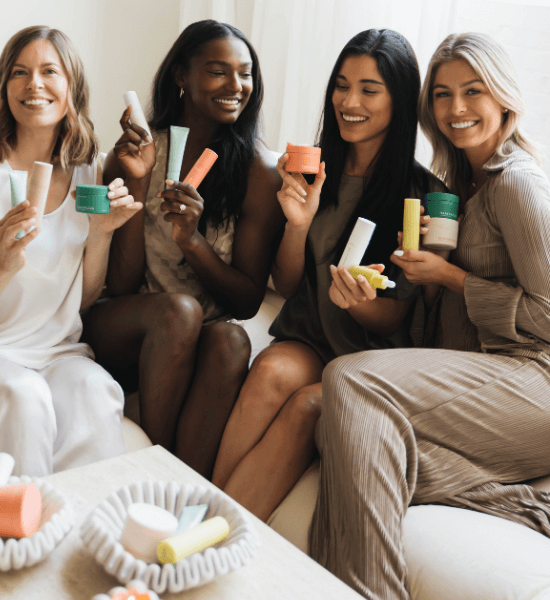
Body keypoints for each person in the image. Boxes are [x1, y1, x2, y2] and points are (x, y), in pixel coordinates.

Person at [309, 32, 550, 600]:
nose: (457, 109)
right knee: (341, 433)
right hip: (493, 383)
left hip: (536, 380)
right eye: (442, 95)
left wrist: (449, 278)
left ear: (504, 100)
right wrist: (424, 272)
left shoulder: (517, 183)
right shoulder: (462, 185)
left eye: (473, 92)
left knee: (349, 378)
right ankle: (529, 499)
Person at [212, 29, 445, 520]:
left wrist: (360, 301)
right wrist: (297, 226)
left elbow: (391, 320)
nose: (349, 101)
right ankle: (206, 513)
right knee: (270, 372)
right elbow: (290, 284)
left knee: (308, 408)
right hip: (313, 337)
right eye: (341, 85)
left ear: (399, 100)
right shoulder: (312, 168)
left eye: (369, 89)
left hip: (373, 358)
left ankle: (218, 535)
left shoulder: (422, 196)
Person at [81, 20, 283, 479]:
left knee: (231, 339)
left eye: (245, 73)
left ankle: (180, 486)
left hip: (204, 328)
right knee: (179, 312)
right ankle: (154, 465)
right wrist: (134, 178)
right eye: (218, 71)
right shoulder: (138, 154)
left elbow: (247, 301)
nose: (236, 86)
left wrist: (191, 241)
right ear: (181, 76)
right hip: (128, 326)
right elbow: (123, 282)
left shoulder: (258, 173)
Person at [0, 26, 142, 493]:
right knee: (24, 396)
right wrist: (5, 262)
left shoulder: (89, 172)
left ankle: (87, 537)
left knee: (95, 391)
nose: (34, 84)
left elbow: (81, 301)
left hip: (57, 350)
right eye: (20, 73)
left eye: (48, 71)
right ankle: (18, 545)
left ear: (72, 88)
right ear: (4, 88)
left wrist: (100, 236)